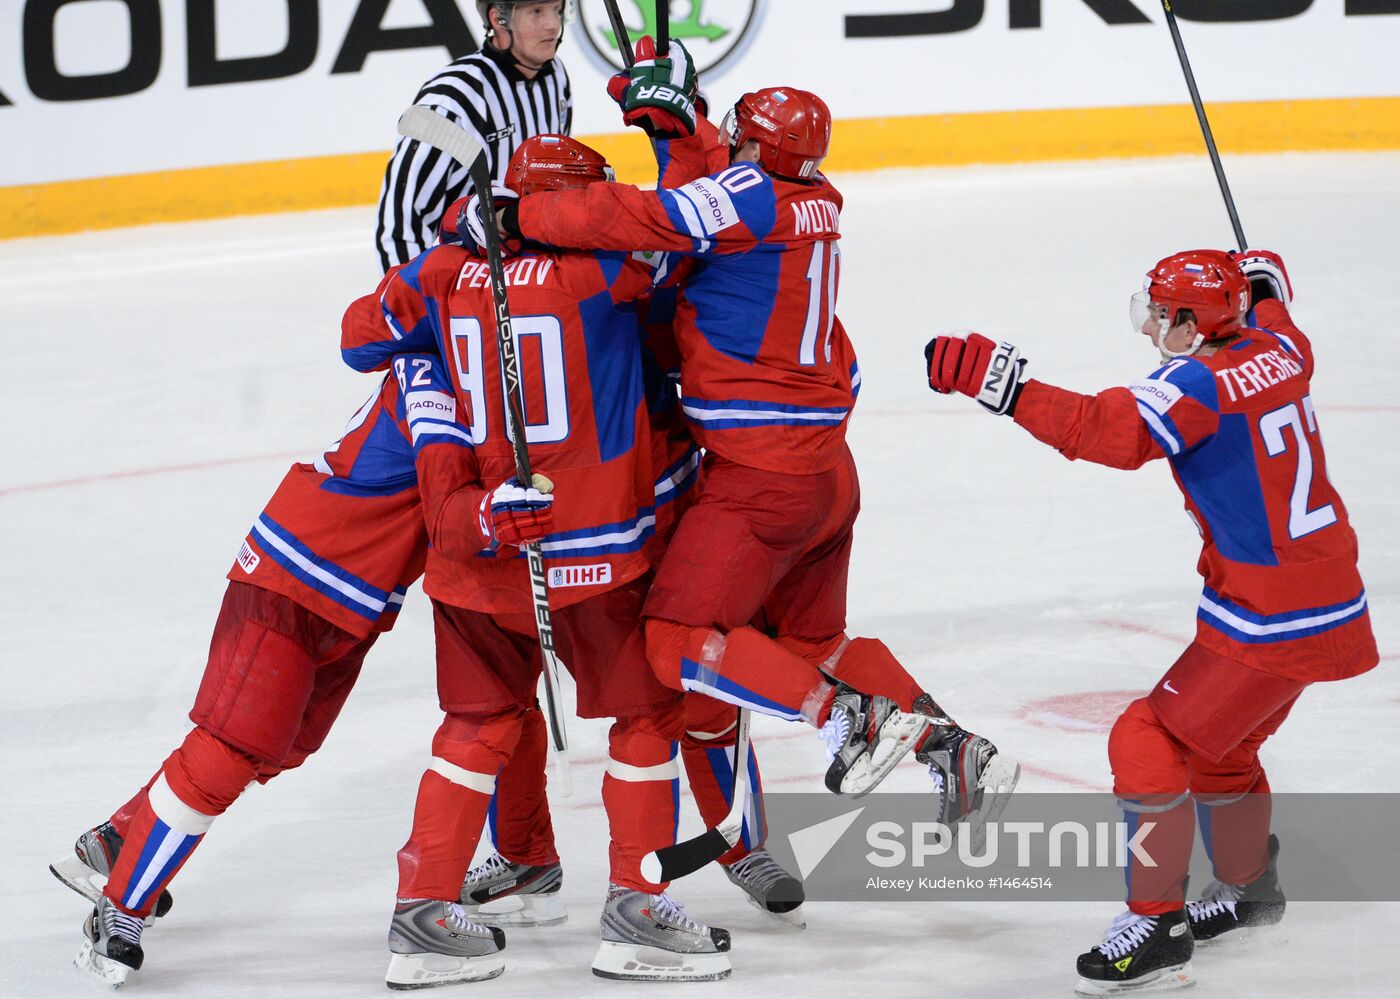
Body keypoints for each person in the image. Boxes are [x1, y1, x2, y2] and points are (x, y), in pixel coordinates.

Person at [487, 62, 1020, 824]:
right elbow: (699, 212)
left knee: (675, 639)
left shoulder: (751, 194)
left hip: (760, 479)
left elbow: (647, 218)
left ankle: (848, 721)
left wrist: (520, 220)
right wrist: (682, 127)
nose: (729, 142)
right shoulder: (816, 199)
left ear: (755, 149)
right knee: (813, 641)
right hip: (828, 474)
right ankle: (955, 748)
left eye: (736, 135)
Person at [923, 248, 1378, 995]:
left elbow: (1109, 431)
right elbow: (1274, 299)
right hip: (1330, 601)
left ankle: (1158, 926)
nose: (1153, 330)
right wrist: (1258, 279)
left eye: (1164, 316)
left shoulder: (1197, 383)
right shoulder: (1285, 349)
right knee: (1221, 749)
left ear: (1196, 321)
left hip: (1269, 616)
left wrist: (999, 383)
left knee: (1147, 735)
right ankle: (1246, 888)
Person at [354, 134, 735, 984]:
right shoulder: (603, 272)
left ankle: (421, 913)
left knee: (477, 723)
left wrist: (449, 257)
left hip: (479, 549)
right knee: (647, 715)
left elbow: (357, 338)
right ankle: (637, 904)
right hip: (596, 551)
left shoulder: (449, 273)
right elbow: (684, 234)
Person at [53, 343, 430, 987]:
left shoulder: (486, 356)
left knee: (280, 746)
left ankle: (121, 839)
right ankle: (122, 905)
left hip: (359, 592)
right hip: (301, 568)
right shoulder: (450, 370)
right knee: (234, 744)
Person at [375, 0, 572, 272]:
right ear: (498, 19)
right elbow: (402, 221)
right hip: (460, 277)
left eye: (557, 10)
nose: (552, 24)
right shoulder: (452, 100)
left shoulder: (555, 76)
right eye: (536, 11)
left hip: (526, 270)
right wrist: (413, 302)